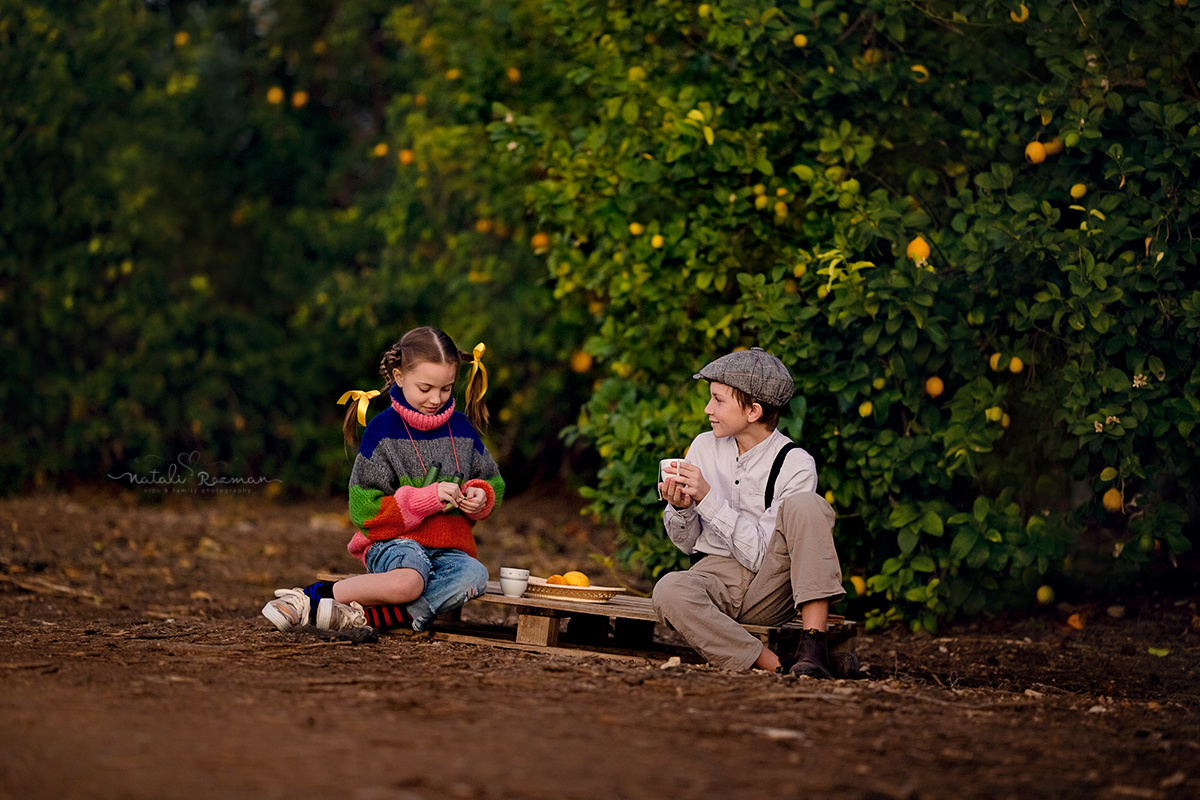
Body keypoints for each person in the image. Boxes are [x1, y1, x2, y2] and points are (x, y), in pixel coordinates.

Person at [262, 326, 505, 634]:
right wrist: (426, 499)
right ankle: (314, 595)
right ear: (399, 376)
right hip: (396, 545)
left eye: (446, 389)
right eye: (425, 388)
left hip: (448, 551)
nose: (436, 399)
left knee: (475, 576)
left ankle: (362, 619)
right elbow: (364, 510)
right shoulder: (382, 431)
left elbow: (492, 482)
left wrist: (480, 495)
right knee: (409, 581)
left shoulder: (462, 429)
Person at [652, 347, 844, 678]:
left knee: (807, 505)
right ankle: (784, 666)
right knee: (669, 589)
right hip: (714, 577)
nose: (707, 409)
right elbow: (686, 545)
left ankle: (813, 644)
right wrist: (682, 509)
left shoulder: (795, 464)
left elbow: (759, 556)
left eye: (718, 400)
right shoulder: (702, 447)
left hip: (771, 587)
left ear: (753, 410)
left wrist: (708, 498)